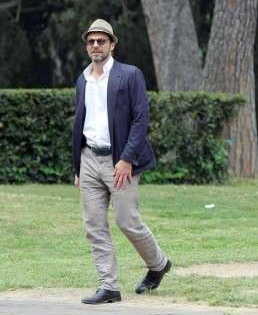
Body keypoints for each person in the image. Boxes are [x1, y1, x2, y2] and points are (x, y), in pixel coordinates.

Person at [72, 19, 171, 304]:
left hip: (120, 161)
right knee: (94, 224)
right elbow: (81, 122)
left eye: (101, 41)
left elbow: (141, 120)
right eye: (91, 41)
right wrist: (77, 167)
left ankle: (159, 264)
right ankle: (108, 285)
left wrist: (126, 159)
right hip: (89, 157)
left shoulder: (130, 75)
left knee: (127, 220)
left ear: (112, 44)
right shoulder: (83, 78)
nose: (95, 46)